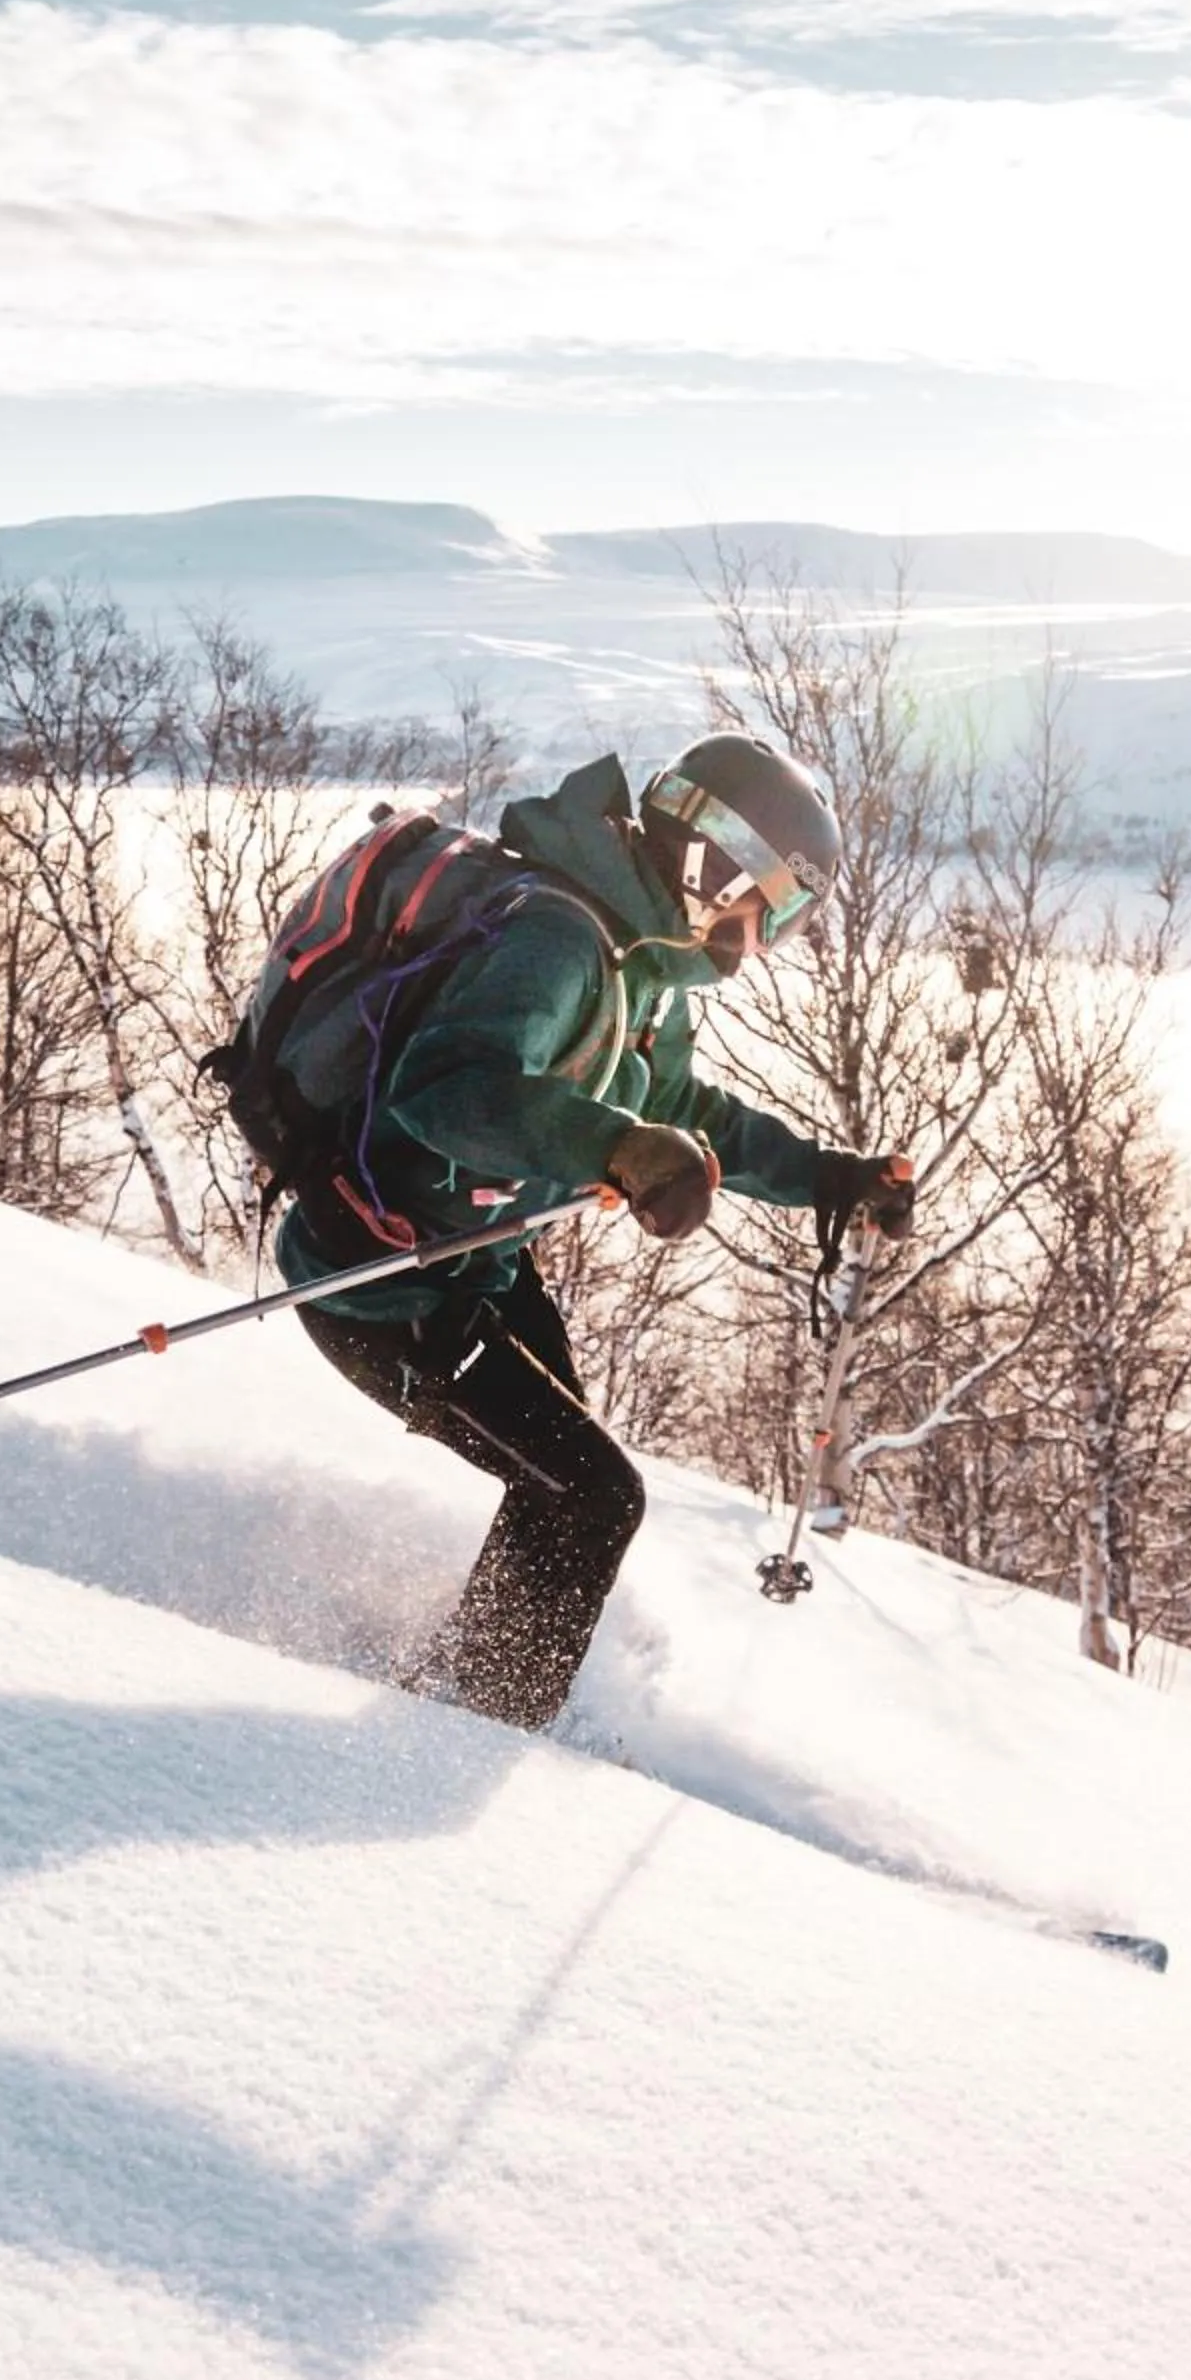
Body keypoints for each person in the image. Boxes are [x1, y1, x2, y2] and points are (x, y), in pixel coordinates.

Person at [286, 733, 914, 1732]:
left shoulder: (636, 963)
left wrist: (829, 1179)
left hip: (472, 1264)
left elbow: (683, 1113)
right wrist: (617, 1147)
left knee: (565, 1480)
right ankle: (468, 1727)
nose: (766, 937)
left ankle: (465, 1683)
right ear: (719, 860)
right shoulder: (563, 942)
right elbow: (447, 1089)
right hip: (384, 1284)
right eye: (777, 906)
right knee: (590, 1501)